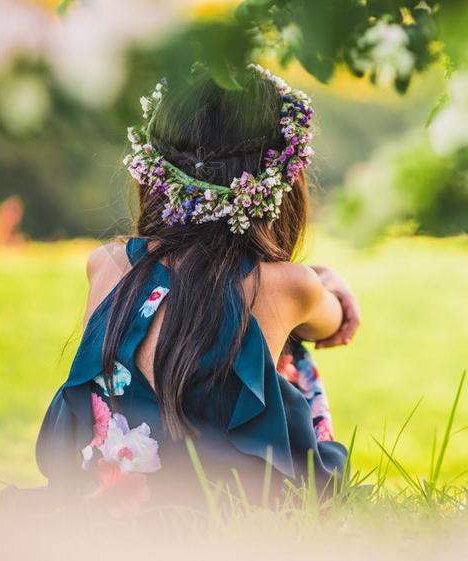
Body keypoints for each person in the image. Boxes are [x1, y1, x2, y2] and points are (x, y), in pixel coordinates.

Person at [33, 65, 360, 516]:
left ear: (152, 177)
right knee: (294, 357)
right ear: (282, 184)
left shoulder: (106, 264)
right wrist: (328, 280)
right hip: (229, 505)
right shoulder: (290, 285)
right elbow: (335, 322)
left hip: (114, 494)